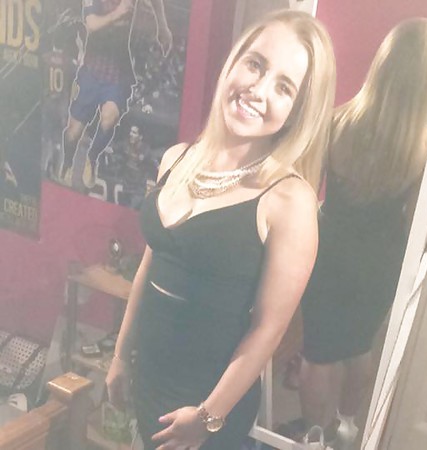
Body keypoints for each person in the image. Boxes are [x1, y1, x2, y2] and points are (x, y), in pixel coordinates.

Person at [105, 9, 336, 450]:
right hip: (148, 380)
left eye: (284, 87)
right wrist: (119, 354)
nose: (258, 90)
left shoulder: (290, 200)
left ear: (298, 111)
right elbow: (150, 266)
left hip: (207, 404)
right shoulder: (177, 158)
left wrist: (207, 418)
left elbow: (268, 330)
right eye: (256, 65)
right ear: (234, 63)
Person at [294, 18, 427, 448]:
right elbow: (414, 223)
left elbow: (304, 192)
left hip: (327, 252)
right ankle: (347, 425)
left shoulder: (337, 122)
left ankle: (314, 436)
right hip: (381, 263)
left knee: (319, 352)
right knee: (361, 346)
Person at [60, 0, 172, 188]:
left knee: (109, 118)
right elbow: (91, 24)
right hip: (92, 68)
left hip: (119, 71)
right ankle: (67, 163)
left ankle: (92, 158)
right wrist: (118, 13)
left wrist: (163, 27)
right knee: (73, 133)